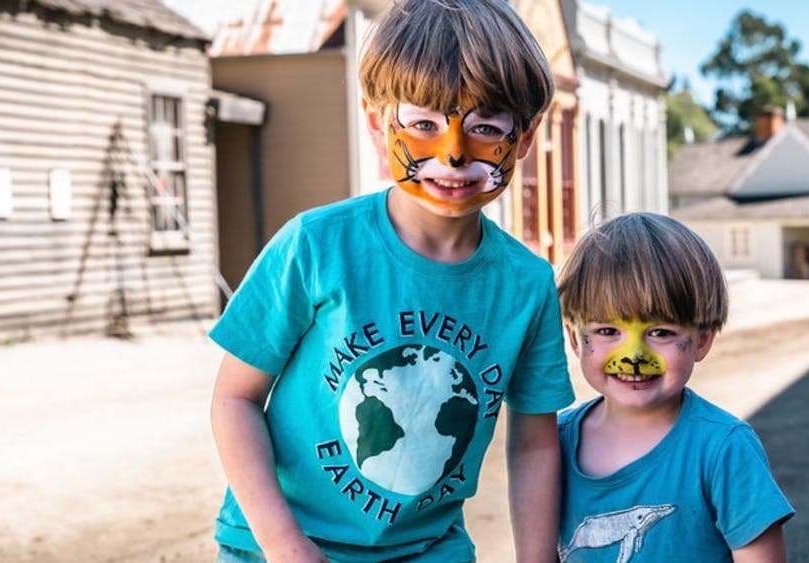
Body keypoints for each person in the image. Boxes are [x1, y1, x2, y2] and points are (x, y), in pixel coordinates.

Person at [208, 1, 576, 561]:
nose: (454, 155)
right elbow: (235, 399)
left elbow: (532, 446)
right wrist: (286, 546)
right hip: (274, 547)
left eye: (484, 128)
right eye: (424, 124)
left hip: (427, 549)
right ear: (378, 123)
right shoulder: (315, 245)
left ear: (524, 138)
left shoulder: (527, 285)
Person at [555, 213, 794, 562]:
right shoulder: (553, 441)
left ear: (702, 340)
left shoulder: (724, 447)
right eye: (608, 331)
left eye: (661, 332)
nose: (634, 357)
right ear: (576, 338)